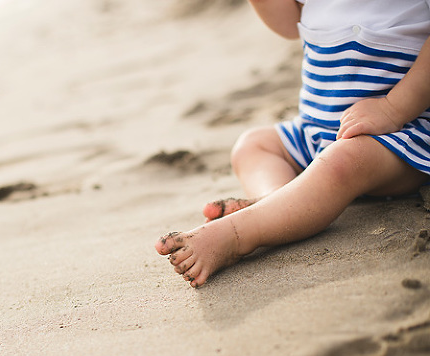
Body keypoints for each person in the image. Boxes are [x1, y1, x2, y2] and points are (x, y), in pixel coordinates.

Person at [155, 0, 430, 288]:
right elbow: (287, 25)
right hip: (314, 132)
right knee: (253, 146)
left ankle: (238, 235)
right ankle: (275, 204)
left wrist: (392, 109)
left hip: (401, 137)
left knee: (343, 162)